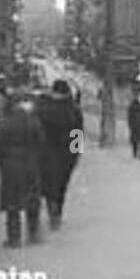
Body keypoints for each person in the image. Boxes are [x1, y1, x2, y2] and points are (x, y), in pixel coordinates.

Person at [0, 92, 47, 248]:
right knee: (32, 199)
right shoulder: (34, 121)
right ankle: (33, 234)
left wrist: (0, 162)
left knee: (12, 203)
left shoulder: (4, 123)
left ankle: (14, 238)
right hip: (31, 164)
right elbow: (42, 143)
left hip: (11, 166)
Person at [34, 80, 84, 231]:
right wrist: (76, 154)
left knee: (48, 184)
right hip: (66, 154)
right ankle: (57, 213)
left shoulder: (41, 108)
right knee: (62, 184)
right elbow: (77, 133)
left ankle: (51, 208)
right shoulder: (74, 109)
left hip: (45, 154)